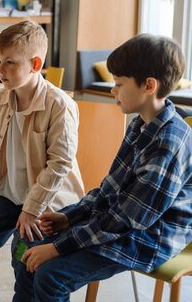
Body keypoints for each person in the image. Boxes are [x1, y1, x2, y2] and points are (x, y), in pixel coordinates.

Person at [16, 34, 192, 302]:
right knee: (25, 244)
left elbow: (128, 220)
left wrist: (58, 248)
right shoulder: (139, 124)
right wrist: (70, 217)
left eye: (119, 84)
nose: (113, 90)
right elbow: (109, 190)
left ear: (148, 86)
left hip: (149, 237)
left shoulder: (169, 142)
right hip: (121, 222)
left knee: (50, 274)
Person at [0, 20, 85, 301]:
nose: (0, 69)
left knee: (24, 255)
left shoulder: (59, 104)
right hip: (8, 195)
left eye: (9, 63)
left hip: (46, 202)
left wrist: (31, 210)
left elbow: (59, 164)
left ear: (35, 64)